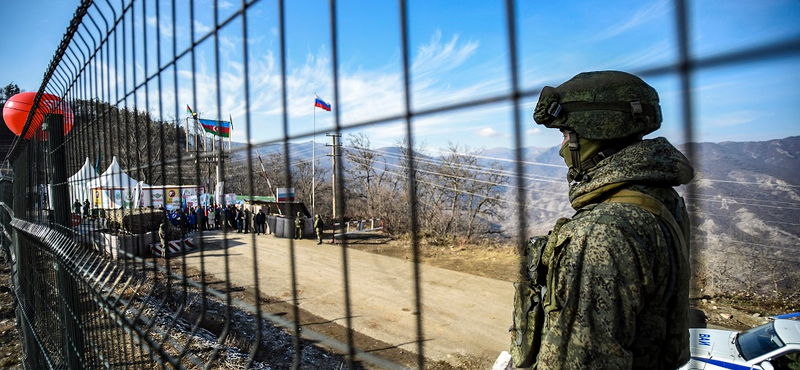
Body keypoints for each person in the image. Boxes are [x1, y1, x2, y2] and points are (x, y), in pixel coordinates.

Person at [511, 71, 693, 370]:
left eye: (566, 135)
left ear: (595, 132)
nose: (561, 149)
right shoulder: (661, 201)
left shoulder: (600, 231)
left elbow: (579, 361)